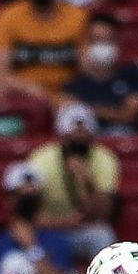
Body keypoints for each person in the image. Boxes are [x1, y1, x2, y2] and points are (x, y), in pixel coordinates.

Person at [27, 102, 119, 259]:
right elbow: (28, 216)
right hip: (49, 231)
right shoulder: (40, 160)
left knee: (103, 235)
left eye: (84, 135)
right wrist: (63, 223)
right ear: (61, 136)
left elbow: (104, 215)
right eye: (73, 136)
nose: (79, 140)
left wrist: (88, 182)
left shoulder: (105, 159)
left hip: (84, 230)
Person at [0, 0, 89, 101]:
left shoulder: (77, 17)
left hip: (66, 93)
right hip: (23, 91)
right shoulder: (8, 16)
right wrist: (28, 88)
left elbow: (88, 70)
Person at [64, 13, 138, 135]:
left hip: (127, 139)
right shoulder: (75, 83)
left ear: (118, 42)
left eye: (107, 40)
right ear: (86, 44)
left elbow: (130, 115)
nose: (102, 46)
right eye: (96, 40)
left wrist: (86, 109)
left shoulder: (133, 75)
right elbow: (68, 115)